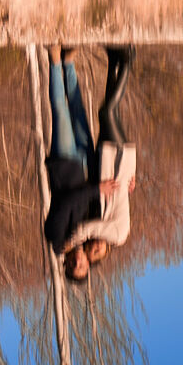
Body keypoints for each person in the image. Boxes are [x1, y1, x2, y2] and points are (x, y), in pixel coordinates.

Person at [43, 45, 137, 282]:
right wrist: (126, 186)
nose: (78, 262)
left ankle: (54, 60)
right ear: (88, 264)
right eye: (83, 267)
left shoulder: (56, 239)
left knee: (60, 111)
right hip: (89, 163)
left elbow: (65, 202)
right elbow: (106, 204)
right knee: (77, 109)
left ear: (65, 265)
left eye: (73, 267)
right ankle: (68, 62)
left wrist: (96, 189)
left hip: (66, 164)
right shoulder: (87, 239)